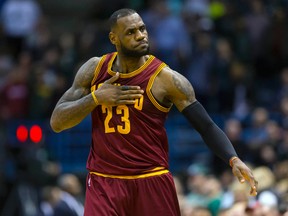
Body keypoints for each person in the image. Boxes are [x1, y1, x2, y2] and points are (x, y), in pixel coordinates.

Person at [50, 8, 258, 216]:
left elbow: (206, 125)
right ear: (114, 38)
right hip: (104, 181)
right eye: (131, 32)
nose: (140, 35)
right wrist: (95, 98)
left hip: (150, 179)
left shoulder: (166, 79)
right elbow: (57, 122)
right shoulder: (94, 69)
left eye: (142, 29)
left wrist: (233, 158)